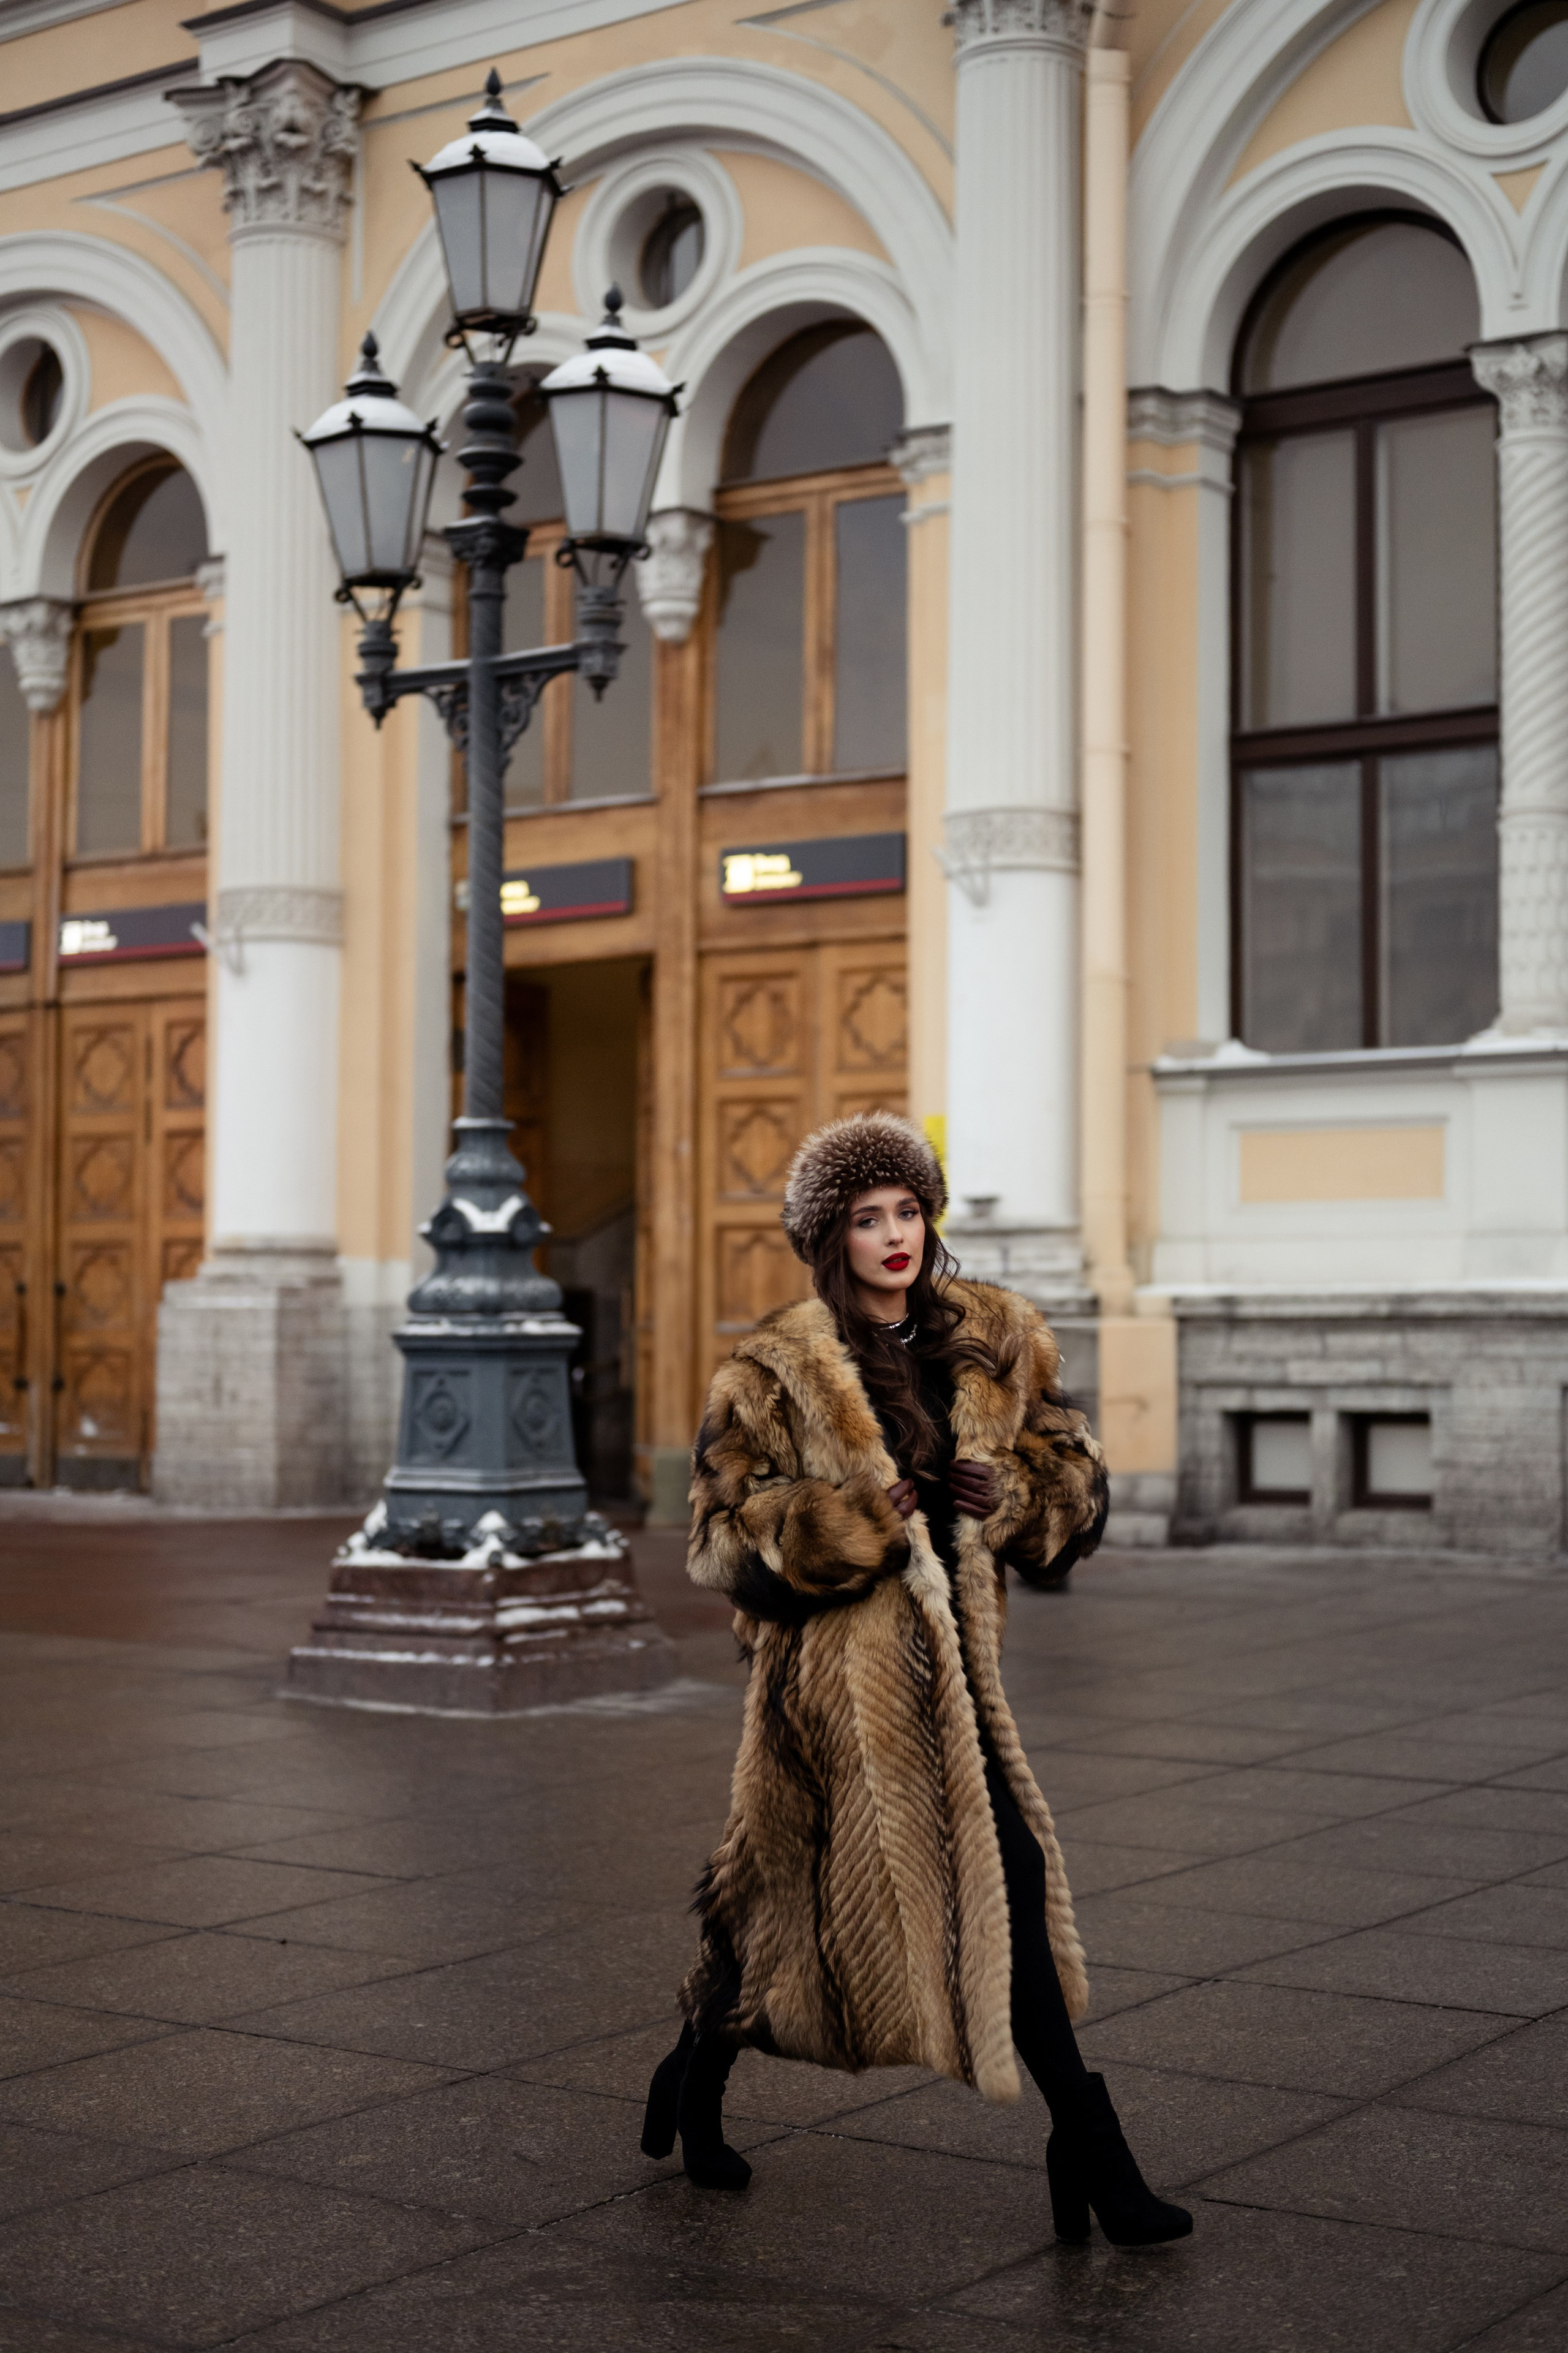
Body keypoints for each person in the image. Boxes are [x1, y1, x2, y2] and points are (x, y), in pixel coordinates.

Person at [640, 1112, 1191, 2246]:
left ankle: (1085, 2143)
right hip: (831, 1696)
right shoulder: (776, 1370)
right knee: (776, 1902)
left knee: (1009, 1872)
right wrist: (844, 1523)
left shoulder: (994, 1337)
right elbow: (715, 1539)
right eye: (865, 1218)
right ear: (829, 1238)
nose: (894, 1236)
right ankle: (695, 2076)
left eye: (906, 1211)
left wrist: (1027, 1496)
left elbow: (1072, 1467)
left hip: (959, 1683)